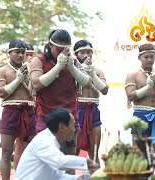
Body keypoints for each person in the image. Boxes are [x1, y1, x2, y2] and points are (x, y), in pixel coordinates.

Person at [30, 29, 92, 173]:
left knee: (69, 161)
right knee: (46, 163)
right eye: (58, 50)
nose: (62, 53)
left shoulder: (73, 61)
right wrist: (58, 66)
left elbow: (87, 83)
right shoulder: (38, 61)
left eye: (66, 49)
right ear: (50, 46)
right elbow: (37, 84)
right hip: (46, 116)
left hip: (70, 118)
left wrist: (71, 66)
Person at [125, 43, 155, 171]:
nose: (149, 60)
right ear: (139, 58)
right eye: (146, 57)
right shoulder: (133, 74)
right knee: (139, 154)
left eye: (152, 57)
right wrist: (148, 87)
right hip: (140, 116)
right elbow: (130, 96)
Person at [15, 108, 98, 180]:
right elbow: (60, 162)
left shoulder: (52, 142)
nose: (74, 130)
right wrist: (87, 162)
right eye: (72, 125)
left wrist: (79, 178)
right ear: (61, 127)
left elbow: (58, 177)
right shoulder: (43, 141)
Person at [0, 40, 36, 180]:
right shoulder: (2, 71)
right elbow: (1, 92)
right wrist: (18, 80)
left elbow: (36, 91)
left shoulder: (32, 70)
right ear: (9, 53)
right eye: (17, 52)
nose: (20, 55)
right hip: (10, 111)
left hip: (29, 111)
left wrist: (26, 78)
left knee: (29, 151)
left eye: (23, 52)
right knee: (6, 152)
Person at [73, 40, 108, 163]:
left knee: (94, 153)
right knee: (73, 153)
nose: (87, 55)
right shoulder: (72, 71)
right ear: (76, 54)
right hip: (77, 111)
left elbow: (105, 90)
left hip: (93, 111)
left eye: (89, 52)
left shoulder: (98, 71)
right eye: (83, 52)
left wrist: (92, 74)